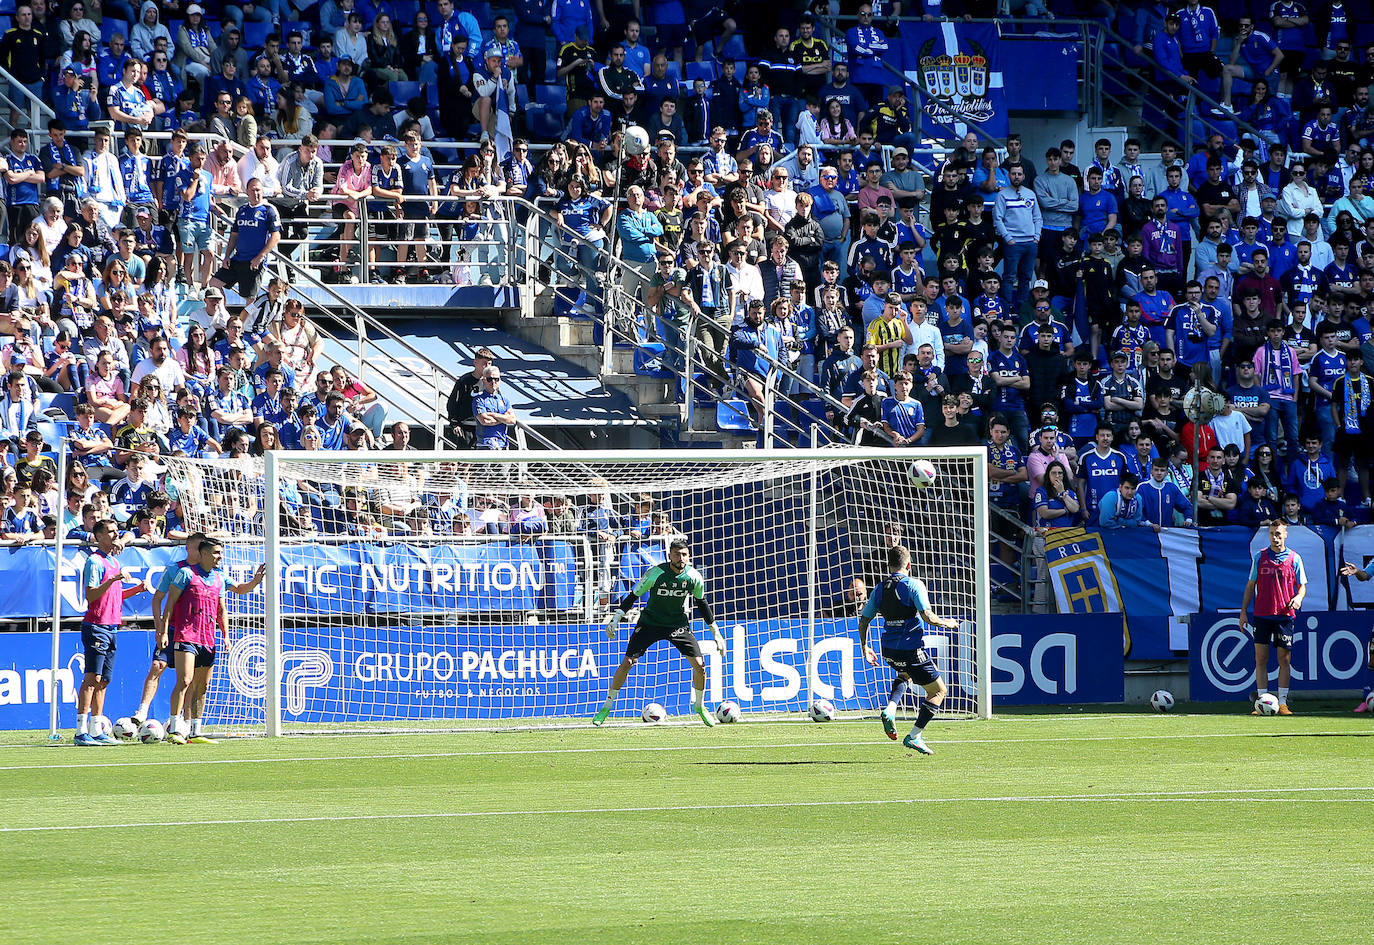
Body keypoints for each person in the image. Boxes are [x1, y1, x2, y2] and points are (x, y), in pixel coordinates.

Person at [592, 538, 725, 728]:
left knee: (700, 666)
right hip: (650, 623)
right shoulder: (656, 574)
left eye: (684, 554)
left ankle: (699, 706)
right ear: (670, 555)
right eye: (677, 554)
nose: (681, 558)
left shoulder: (694, 577)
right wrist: (616, 618)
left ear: (688, 556)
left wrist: (716, 633)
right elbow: (633, 596)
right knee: (628, 662)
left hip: (677, 625)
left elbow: (702, 604)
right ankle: (607, 706)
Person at [858, 543, 961, 755]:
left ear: (888, 565)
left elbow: (864, 620)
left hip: (888, 650)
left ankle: (890, 708)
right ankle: (914, 736)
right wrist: (948, 623)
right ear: (909, 565)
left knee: (905, 674)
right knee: (939, 691)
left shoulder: (879, 588)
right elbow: (927, 617)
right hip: (910, 649)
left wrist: (865, 647)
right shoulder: (914, 585)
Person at [75, 519, 152, 745]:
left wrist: (136, 590)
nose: (114, 534)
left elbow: (114, 596)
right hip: (96, 625)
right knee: (92, 678)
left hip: (112, 627)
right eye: (109, 532)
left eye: (115, 531)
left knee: (104, 680)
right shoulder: (95, 561)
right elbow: (91, 596)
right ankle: (80, 731)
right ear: (99, 537)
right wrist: (112, 580)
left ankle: (97, 728)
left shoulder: (113, 562)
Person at [161, 537, 229, 744]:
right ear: (204, 554)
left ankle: (195, 731)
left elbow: (221, 610)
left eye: (221, 553)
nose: (220, 557)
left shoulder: (219, 578)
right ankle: (175, 728)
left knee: (203, 686)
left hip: (208, 638)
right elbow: (170, 603)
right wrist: (164, 632)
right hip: (186, 635)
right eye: (216, 553)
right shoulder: (185, 574)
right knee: (184, 680)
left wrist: (225, 635)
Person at [1239, 520, 1307, 715]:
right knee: (1261, 658)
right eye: (1271, 534)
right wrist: (1243, 612)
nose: (1275, 538)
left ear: (1286, 534)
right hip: (1262, 614)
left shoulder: (1294, 558)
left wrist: (1298, 597)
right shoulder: (1260, 557)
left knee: (1283, 659)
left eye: (1278, 534)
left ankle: (1283, 703)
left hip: (1285, 616)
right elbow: (1251, 585)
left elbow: (1302, 585)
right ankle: (1261, 702)